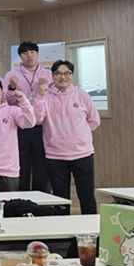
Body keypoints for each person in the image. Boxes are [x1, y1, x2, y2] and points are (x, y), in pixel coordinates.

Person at [34, 60, 101, 214]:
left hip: (82, 154)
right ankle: (63, 229)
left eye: (67, 73)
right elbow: (37, 119)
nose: (62, 77)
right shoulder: (45, 96)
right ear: (52, 76)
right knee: (60, 200)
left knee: (87, 197)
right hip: (55, 155)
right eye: (58, 73)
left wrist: (79, 136)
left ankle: (91, 229)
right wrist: (40, 96)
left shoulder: (82, 95)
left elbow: (94, 120)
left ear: (72, 75)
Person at [3, 41, 54, 193]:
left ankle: (42, 198)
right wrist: (12, 87)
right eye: (25, 53)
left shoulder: (48, 74)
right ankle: (22, 199)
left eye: (32, 52)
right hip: (21, 126)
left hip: (43, 126)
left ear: (37, 54)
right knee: (22, 164)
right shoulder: (12, 75)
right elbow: (8, 102)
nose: (29, 55)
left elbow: (52, 99)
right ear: (20, 56)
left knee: (42, 165)